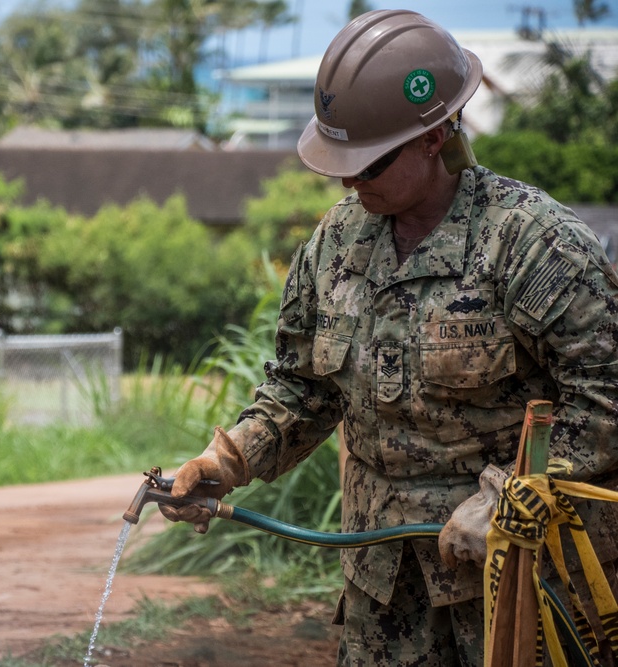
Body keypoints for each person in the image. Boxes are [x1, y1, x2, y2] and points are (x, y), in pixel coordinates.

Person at [162, 9, 618, 666]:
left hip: (520, 589)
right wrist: (230, 459)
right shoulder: (337, 244)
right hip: (382, 596)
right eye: (340, 164)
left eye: (369, 164)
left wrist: (507, 494)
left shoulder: (533, 245)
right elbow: (301, 383)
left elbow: (606, 399)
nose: (349, 182)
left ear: (435, 136)